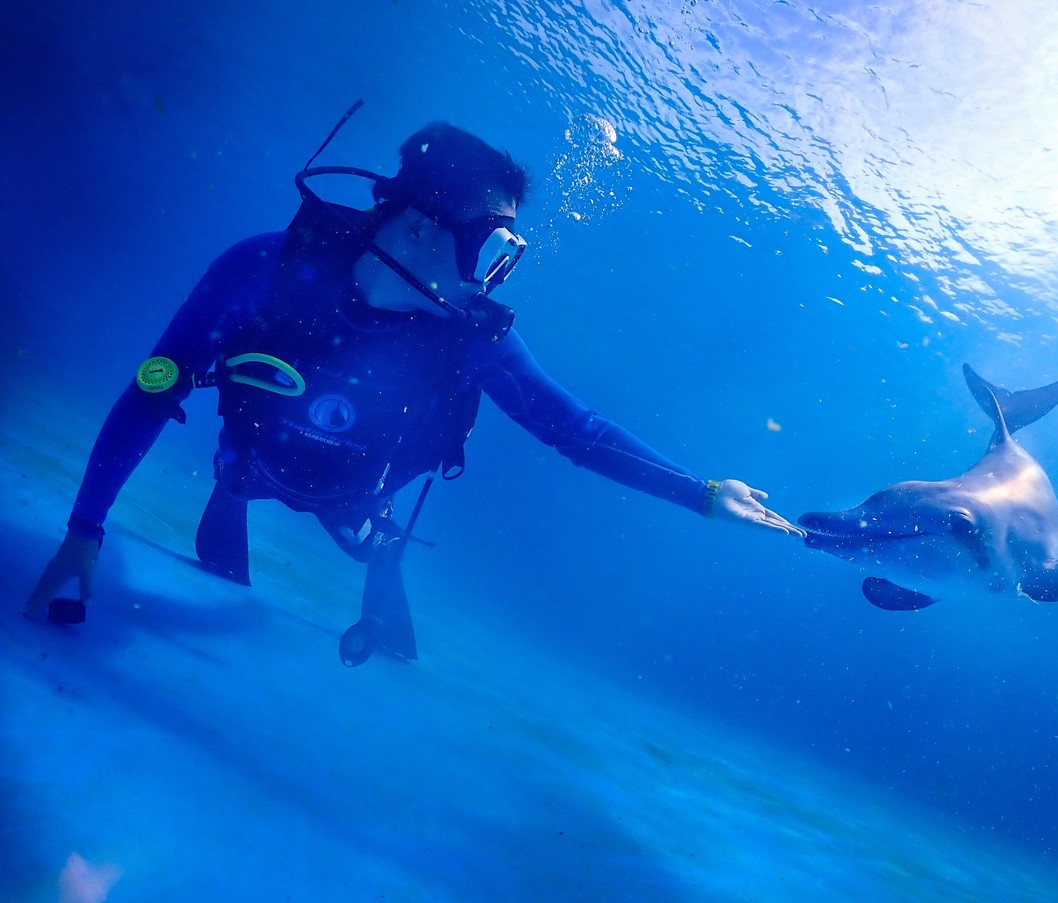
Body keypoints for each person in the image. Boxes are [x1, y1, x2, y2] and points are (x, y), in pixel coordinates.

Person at [23, 110, 802, 664]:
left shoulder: (468, 338)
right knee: (236, 476)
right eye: (491, 247)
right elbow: (152, 390)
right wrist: (85, 533)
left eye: (508, 254)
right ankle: (246, 497)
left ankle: (380, 553)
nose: (494, 277)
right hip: (253, 458)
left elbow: (576, 431)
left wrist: (700, 493)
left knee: (365, 530)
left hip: (359, 494)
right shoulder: (263, 271)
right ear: (423, 228)